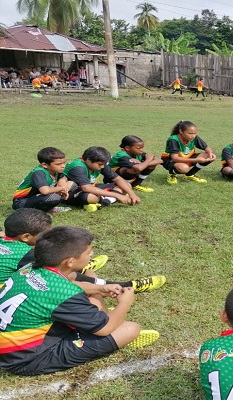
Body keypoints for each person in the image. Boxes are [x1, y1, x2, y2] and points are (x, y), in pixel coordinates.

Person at [0, 226, 160, 376]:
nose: (92, 254)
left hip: (11, 341)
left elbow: (65, 288)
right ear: (70, 261)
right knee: (130, 329)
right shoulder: (65, 293)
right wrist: (125, 302)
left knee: (90, 298)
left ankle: (102, 320)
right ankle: (115, 338)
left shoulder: (29, 268)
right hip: (25, 360)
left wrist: (98, 289)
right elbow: (105, 328)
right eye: (88, 252)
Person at [0, 209, 166, 292]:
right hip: (12, 291)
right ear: (25, 237)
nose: (49, 235)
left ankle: (82, 265)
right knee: (68, 275)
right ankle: (125, 286)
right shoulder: (25, 254)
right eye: (45, 233)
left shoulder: (5, 239)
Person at [64, 147, 141, 212]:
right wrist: (117, 195)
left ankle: (104, 200)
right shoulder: (78, 167)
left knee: (127, 185)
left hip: (90, 187)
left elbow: (118, 179)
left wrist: (132, 194)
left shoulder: (100, 164)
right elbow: (86, 188)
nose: (102, 167)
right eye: (100, 164)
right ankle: (108, 200)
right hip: (71, 193)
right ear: (88, 160)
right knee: (90, 197)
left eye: (104, 164)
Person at [13, 147, 74, 213]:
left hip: (37, 197)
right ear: (45, 165)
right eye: (58, 164)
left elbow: (64, 177)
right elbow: (45, 191)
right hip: (22, 202)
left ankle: (48, 207)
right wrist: (61, 188)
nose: (63, 166)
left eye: (64, 163)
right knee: (54, 197)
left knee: (71, 184)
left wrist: (62, 181)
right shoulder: (39, 172)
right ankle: (42, 210)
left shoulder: (55, 169)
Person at [161, 120, 216, 185]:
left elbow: (206, 147)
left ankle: (189, 175)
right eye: (190, 133)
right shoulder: (173, 140)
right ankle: (172, 174)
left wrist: (210, 153)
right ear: (181, 131)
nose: (193, 136)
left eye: (195, 133)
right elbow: (175, 158)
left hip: (187, 158)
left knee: (209, 156)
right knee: (184, 168)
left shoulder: (194, 138)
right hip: (171, 160)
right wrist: (196, 160)